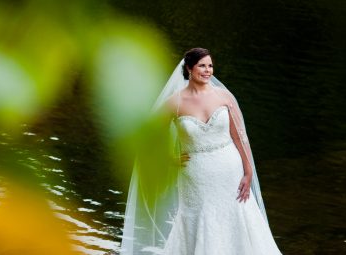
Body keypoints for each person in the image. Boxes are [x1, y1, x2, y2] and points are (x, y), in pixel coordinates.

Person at [119, 48, 282, 255]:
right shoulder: (175, 103)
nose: (208, 71)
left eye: (210, 66)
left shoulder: (224, 97)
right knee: (201, 220)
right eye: (202, 66)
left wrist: (248, 171)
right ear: (189, 68)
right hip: (196, 176)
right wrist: (169, 159)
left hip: (230, 171)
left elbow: (240, 137)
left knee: (238, 215)